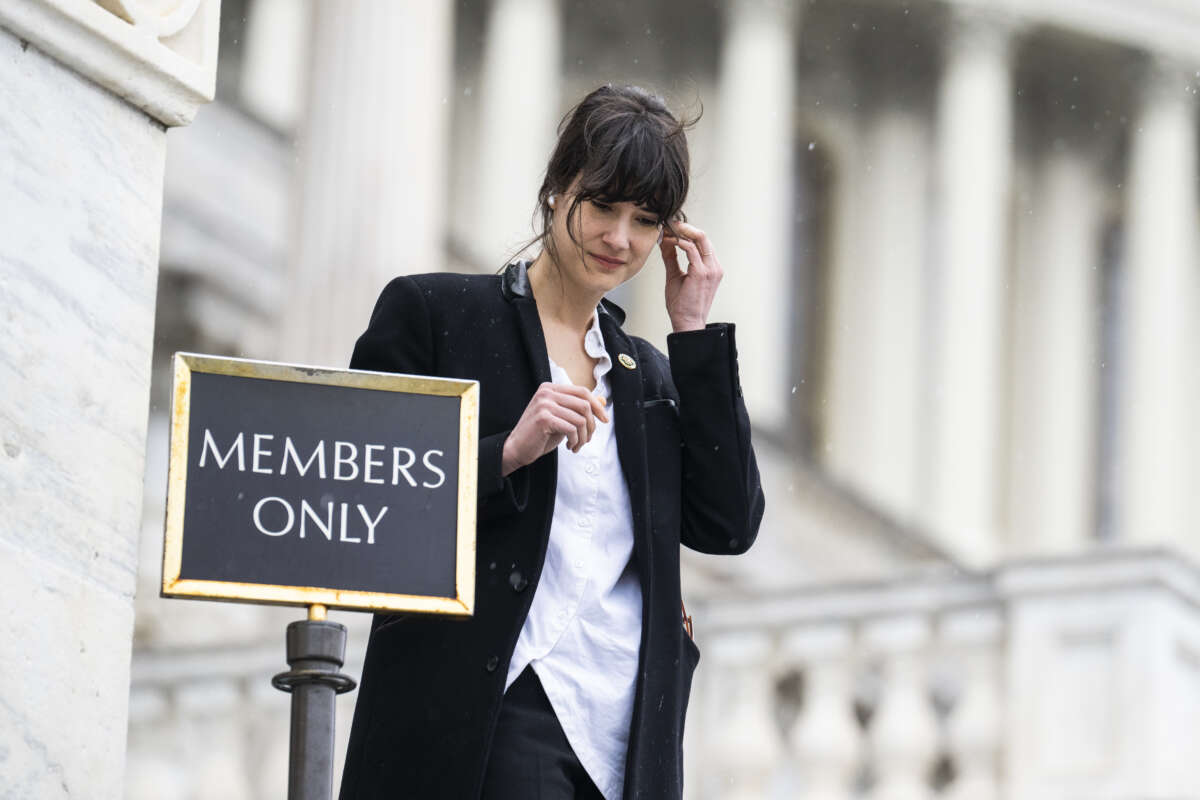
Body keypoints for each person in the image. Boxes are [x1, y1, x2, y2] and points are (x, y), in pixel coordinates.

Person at [339, 84, 764, 800]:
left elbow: (728, 526)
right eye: (601, 205)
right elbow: (363, 497)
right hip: (490, 707)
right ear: (555, 190)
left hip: (624, 734)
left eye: (645, 220)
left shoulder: (651, 380)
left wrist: (692, 335)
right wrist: (505, 452)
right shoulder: (437, 316)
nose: (619, 239)